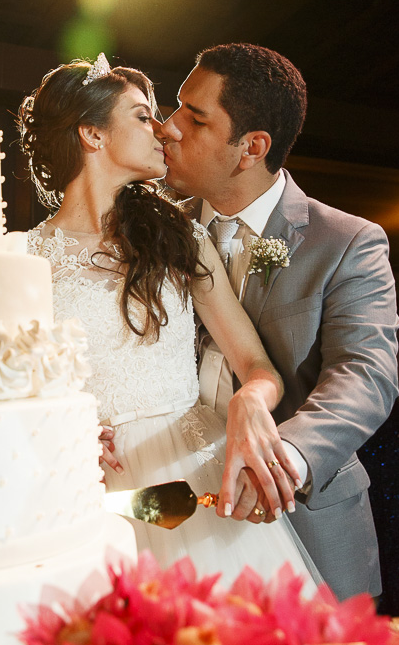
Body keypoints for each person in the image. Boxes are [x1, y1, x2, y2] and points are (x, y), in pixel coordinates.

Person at [21, 54, 320, 587]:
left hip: (190, 468)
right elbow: (2, 388)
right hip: (84, 482)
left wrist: (251, 399)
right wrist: (56, 430)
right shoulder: (20, 259)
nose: (161, 127)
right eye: (141, 116)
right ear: (92, 134)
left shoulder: (183, 240)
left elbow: (258, 366)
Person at [160, 43, 398, 600]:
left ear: (252, 148)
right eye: (176, 108)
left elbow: (366, 374)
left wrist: (283, 459)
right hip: (177, 517)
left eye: (194, 119)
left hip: (301, 517)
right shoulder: (155, 231)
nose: (168, 128)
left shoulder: (346, 243)